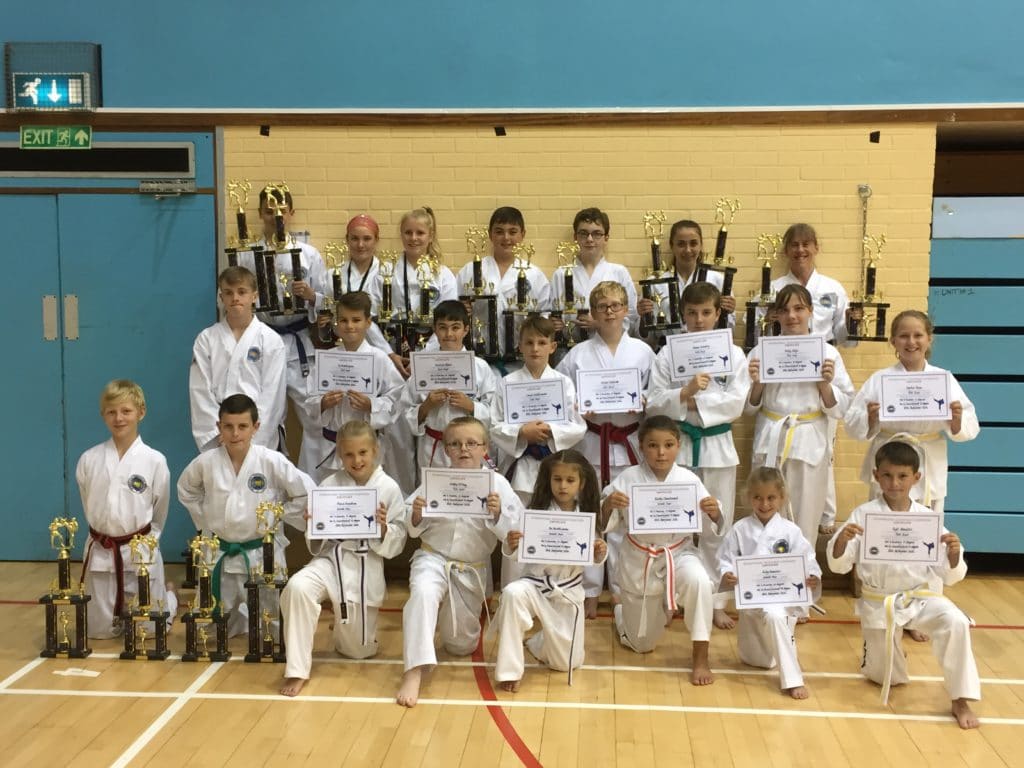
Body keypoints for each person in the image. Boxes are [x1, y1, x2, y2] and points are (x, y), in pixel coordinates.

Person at [827, 441, 981, 729]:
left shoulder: (928, 519)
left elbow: (949, 574)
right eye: (886, 475)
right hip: (879, 601)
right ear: (875, 475)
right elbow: (840, 564)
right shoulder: (863, 515)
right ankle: (887, 652)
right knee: (888, 677)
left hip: (920, 597)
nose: (894, 483)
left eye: (902, 476)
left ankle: (961, 699)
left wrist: (953, 553)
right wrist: (842, 542)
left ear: (916, 478)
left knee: (956, 621)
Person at [396, 416, 521, 708]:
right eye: (455, 444)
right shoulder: (434, 480)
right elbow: (410, 523)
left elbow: (515, 532)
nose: (463, 449)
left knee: (459, 646)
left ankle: (440, 624)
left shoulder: (498, 485)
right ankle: (413, 671)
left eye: (471, 443)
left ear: (485, 448)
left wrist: (497, 514)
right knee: (423, 593)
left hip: (471, 569)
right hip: (433, 557)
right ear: (445, 449)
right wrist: (416, 513)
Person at [646, 282, 750, 629]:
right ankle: (670, 595)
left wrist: (693, 401)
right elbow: (654, 400)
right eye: (692, 313)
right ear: (683, 315)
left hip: (718, 447)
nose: (699, 319)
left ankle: (715, 601)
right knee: (672, 523)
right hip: (679, 448)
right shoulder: (667, 354)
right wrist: (685, 391)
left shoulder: (734, 354)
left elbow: (736, 402)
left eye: (706, 312)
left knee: (715, 525)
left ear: (718, 313)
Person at [280, 421, 407, 697]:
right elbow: (317, 542)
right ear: (339, 454)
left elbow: (397, 543)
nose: (356, 460)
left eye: (363, 452)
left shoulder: (389, 488)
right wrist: (312, 525)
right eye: (349, 454)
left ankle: (342, 627)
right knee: (297, 587)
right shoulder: (330, 484)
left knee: (358, 652)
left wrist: (384, 528)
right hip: (330, 560)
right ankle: (297, 670)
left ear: (375, 451)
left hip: (365, 564)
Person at [177, 394, 314, 637]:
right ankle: (237, 621)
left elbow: (306, 494)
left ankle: (256, 625)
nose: (235, 433)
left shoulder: (271, 460)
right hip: (220, 553)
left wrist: (278, 515)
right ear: (219, 427)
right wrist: (206, 521)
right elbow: (186, 490)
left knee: (274, 631)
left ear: (256, 427)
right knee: (206, 632)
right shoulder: (206, 462)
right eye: (228, 427)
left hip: (262, 553)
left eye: (242, 426)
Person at [557, 281, 655, 616]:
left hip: (628, 443)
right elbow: (562, 395)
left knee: (626, 516)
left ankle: (623, 588)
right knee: (590, 517)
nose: (609, 312)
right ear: (593, 314)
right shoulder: (578, 354)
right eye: (602, 307)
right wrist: (576, 409)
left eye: (615, 305)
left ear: (626, 309)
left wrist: (641, 401)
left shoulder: (642, 351)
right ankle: (589, 590)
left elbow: (655, 395)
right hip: (592, 441)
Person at [602, 416, 722, 685]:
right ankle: (622, 614)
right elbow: (604, 523)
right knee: (641, 644)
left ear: (678, 446)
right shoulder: (628, 478)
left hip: (679, 554)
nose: (661, 452)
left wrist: (714, 513)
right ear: (641, 446)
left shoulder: (688, 479)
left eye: (668, 445)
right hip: (639, 559)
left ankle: (701, 658)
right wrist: (609, 505)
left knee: (700, 581)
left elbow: (709, 521)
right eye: (653, 445)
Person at [745, 284, 853, 544]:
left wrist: (824, 385)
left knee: (805, 518)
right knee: (766, 514)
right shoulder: (761, 352)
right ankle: (768, 582)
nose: (792, 316)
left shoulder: (828, 353)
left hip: (808, 439)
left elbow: (845, 405)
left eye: (799, 309)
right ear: (776, 315)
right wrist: (758, 382)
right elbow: (747, 408)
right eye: (785, 310)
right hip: (771, 435)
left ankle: (805, 581)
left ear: (810, 312)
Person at [492, 450, 607, 692]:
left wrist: (598, 551)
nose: (563, 486)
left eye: (570, 480)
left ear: (581, 483)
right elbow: (516, 552)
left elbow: (594, 560)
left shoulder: (586, 516)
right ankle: (509, 671)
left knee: (566, 664)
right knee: (512, 592)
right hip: (534, 586)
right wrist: (511, 544)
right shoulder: (534, 513)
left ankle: (539, 642)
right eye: (557, 479)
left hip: (567, 592)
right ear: (548, 480)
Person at [845, 310, 979, 515]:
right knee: (883, 519)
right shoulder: (880, 379)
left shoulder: (943, 379)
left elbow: (970, 427)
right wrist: (869, 418)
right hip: (888, 459)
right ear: (893, 341)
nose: (911, 342)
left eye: (918, 335)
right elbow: (851, 423)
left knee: (926, 524)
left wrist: (957, 421)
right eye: (904, 336)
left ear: (929, 339)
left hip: (928, 460)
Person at [771, 223, 856, 533]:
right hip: (781, 367)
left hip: (821, 369)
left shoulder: (833, 288)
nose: (801, 250)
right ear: (786, 250)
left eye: (807, 244)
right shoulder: (774, 286)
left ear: (816, 247)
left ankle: (824, 517)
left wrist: (854, 326)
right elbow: (759, 328)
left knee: (824, 454)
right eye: (794, 244)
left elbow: (847, 338)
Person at [242, 186, 332, 476]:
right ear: (260, 215)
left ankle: (317, 493)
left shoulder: (308, 254)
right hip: (261, 341)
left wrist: (310, 296)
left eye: (281, 210)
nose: (275, 216)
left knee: (316, 416)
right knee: (264, 418)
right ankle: (263, 491)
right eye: (269, 211)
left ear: (291, 213)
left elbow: (327, 303)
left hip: (299, 342)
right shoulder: (248, 255)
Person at [76, 380, 177, 638]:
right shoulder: (89, 459)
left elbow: (159, 512)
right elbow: (88, 502)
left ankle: (170, 597)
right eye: (111, 412)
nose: (118, 418)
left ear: (140, 412)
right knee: (99, 633)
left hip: (140, 552)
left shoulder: (154, 460)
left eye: (126, 411)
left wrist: (147, 545)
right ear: (103, 415)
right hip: (103, 551)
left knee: (149, 632)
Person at [717, 467, 821, 698]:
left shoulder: (791, 531)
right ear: (749, 498)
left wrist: (812, 576)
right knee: (759, 660)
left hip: (781, 601)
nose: (764, 504)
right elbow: (726, 559)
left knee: (775, 615)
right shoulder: (740, 529)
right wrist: (728, 573)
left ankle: (792, 679)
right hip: (752, 604)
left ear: (782, 498)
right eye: (758, 497)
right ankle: (769, 654)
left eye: (771, 497)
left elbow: (808, 559)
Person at [299, 291, 404, 485]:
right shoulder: (327, 359)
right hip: (331, 447)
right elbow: (309, 399)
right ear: (336, 323)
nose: (350, 326)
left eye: (356, 320)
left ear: (368, 322)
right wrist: (323, 402)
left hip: (366, 450)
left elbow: (398, 398)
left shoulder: (380, 358)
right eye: (344, 320)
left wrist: (371, 405)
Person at [189, 266, 287, 451]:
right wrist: (218, 433)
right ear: (221, 298)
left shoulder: (271, 340)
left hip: (257, 431)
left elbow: (273, 397)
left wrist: (252, 436)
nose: (235, 298)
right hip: (219, 432)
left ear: (254, 296)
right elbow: (199, 391)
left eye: (242, 292)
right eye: (229, 292)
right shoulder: (206, 339)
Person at [491, 315, 586, 501]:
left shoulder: (563, 382)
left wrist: (551, 430)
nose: (535, 349)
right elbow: (494, 425)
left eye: (542, 342)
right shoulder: (507, 383)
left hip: (555, 467)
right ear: (520, 346)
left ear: (553, 347)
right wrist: (521, 432)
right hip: (520, 468)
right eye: (529, 342)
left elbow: (577, 425)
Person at [400, 300, 496, 477]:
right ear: (435, 330)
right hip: (433, 447)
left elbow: (495, 412)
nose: (449, 333)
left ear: (466, 330)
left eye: (455, 327)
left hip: (468, 450)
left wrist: (471, 406)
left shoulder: (481, 367)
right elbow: (406, 411)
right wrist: (427, 405)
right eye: (442, 327)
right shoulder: (423, 366)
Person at [454, 206, 553, 367]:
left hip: (520, 359)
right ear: (490, 235)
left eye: (513, 232)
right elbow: (454, 311)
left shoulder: (534, 275)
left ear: (523, 234)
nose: (506, 238)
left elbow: (544, 317)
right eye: (499, 231)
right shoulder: (470, 271)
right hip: (478, 357)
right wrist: (461, 309)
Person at [335, 213, 408, 374]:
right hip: (347, 348)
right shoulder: (334, 274)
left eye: (367, 239)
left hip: (387, 346)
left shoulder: (389, 272)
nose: (360, 245)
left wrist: (389, 352)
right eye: (354, 238)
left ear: (376, 240)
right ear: (347, 240)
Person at [549, 208, 639, 335]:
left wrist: (600, 325)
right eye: (583, 233)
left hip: (608, 346)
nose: (590, 239)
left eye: (597, 234)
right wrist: (552, 323)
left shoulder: (619, 273)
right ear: (575, 237)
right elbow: (549, 313)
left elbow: (631, 317)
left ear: (606, 238)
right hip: (570, 347)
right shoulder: (561, 274)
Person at [636, 220, 736, 332]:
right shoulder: (655, 282)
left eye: (693, 243)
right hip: (668, 345)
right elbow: (646, 337)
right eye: (681, 244)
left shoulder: (718, 280)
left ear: (701, 245)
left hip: (706, 345)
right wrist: (643, 317)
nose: (688, 250)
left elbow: (728, 331)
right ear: (672, 246)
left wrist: (728, 311)